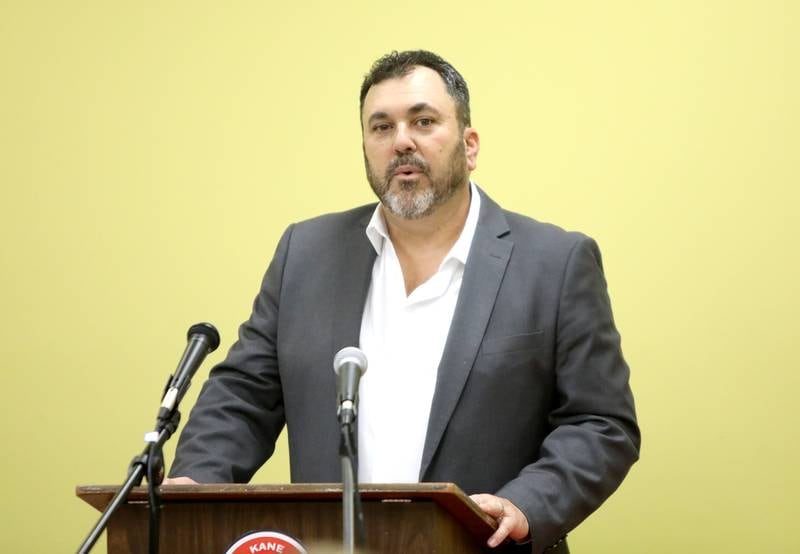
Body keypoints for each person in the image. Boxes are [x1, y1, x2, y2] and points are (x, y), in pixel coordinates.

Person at [166, 50, 640, 553]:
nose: (402, 142)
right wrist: (197, 481)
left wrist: (526, 503)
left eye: (424, 121)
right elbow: (244, 394)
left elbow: (601, 424)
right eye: (381, 127)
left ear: (469, 144)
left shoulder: (555, 262)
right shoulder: (304, 254)